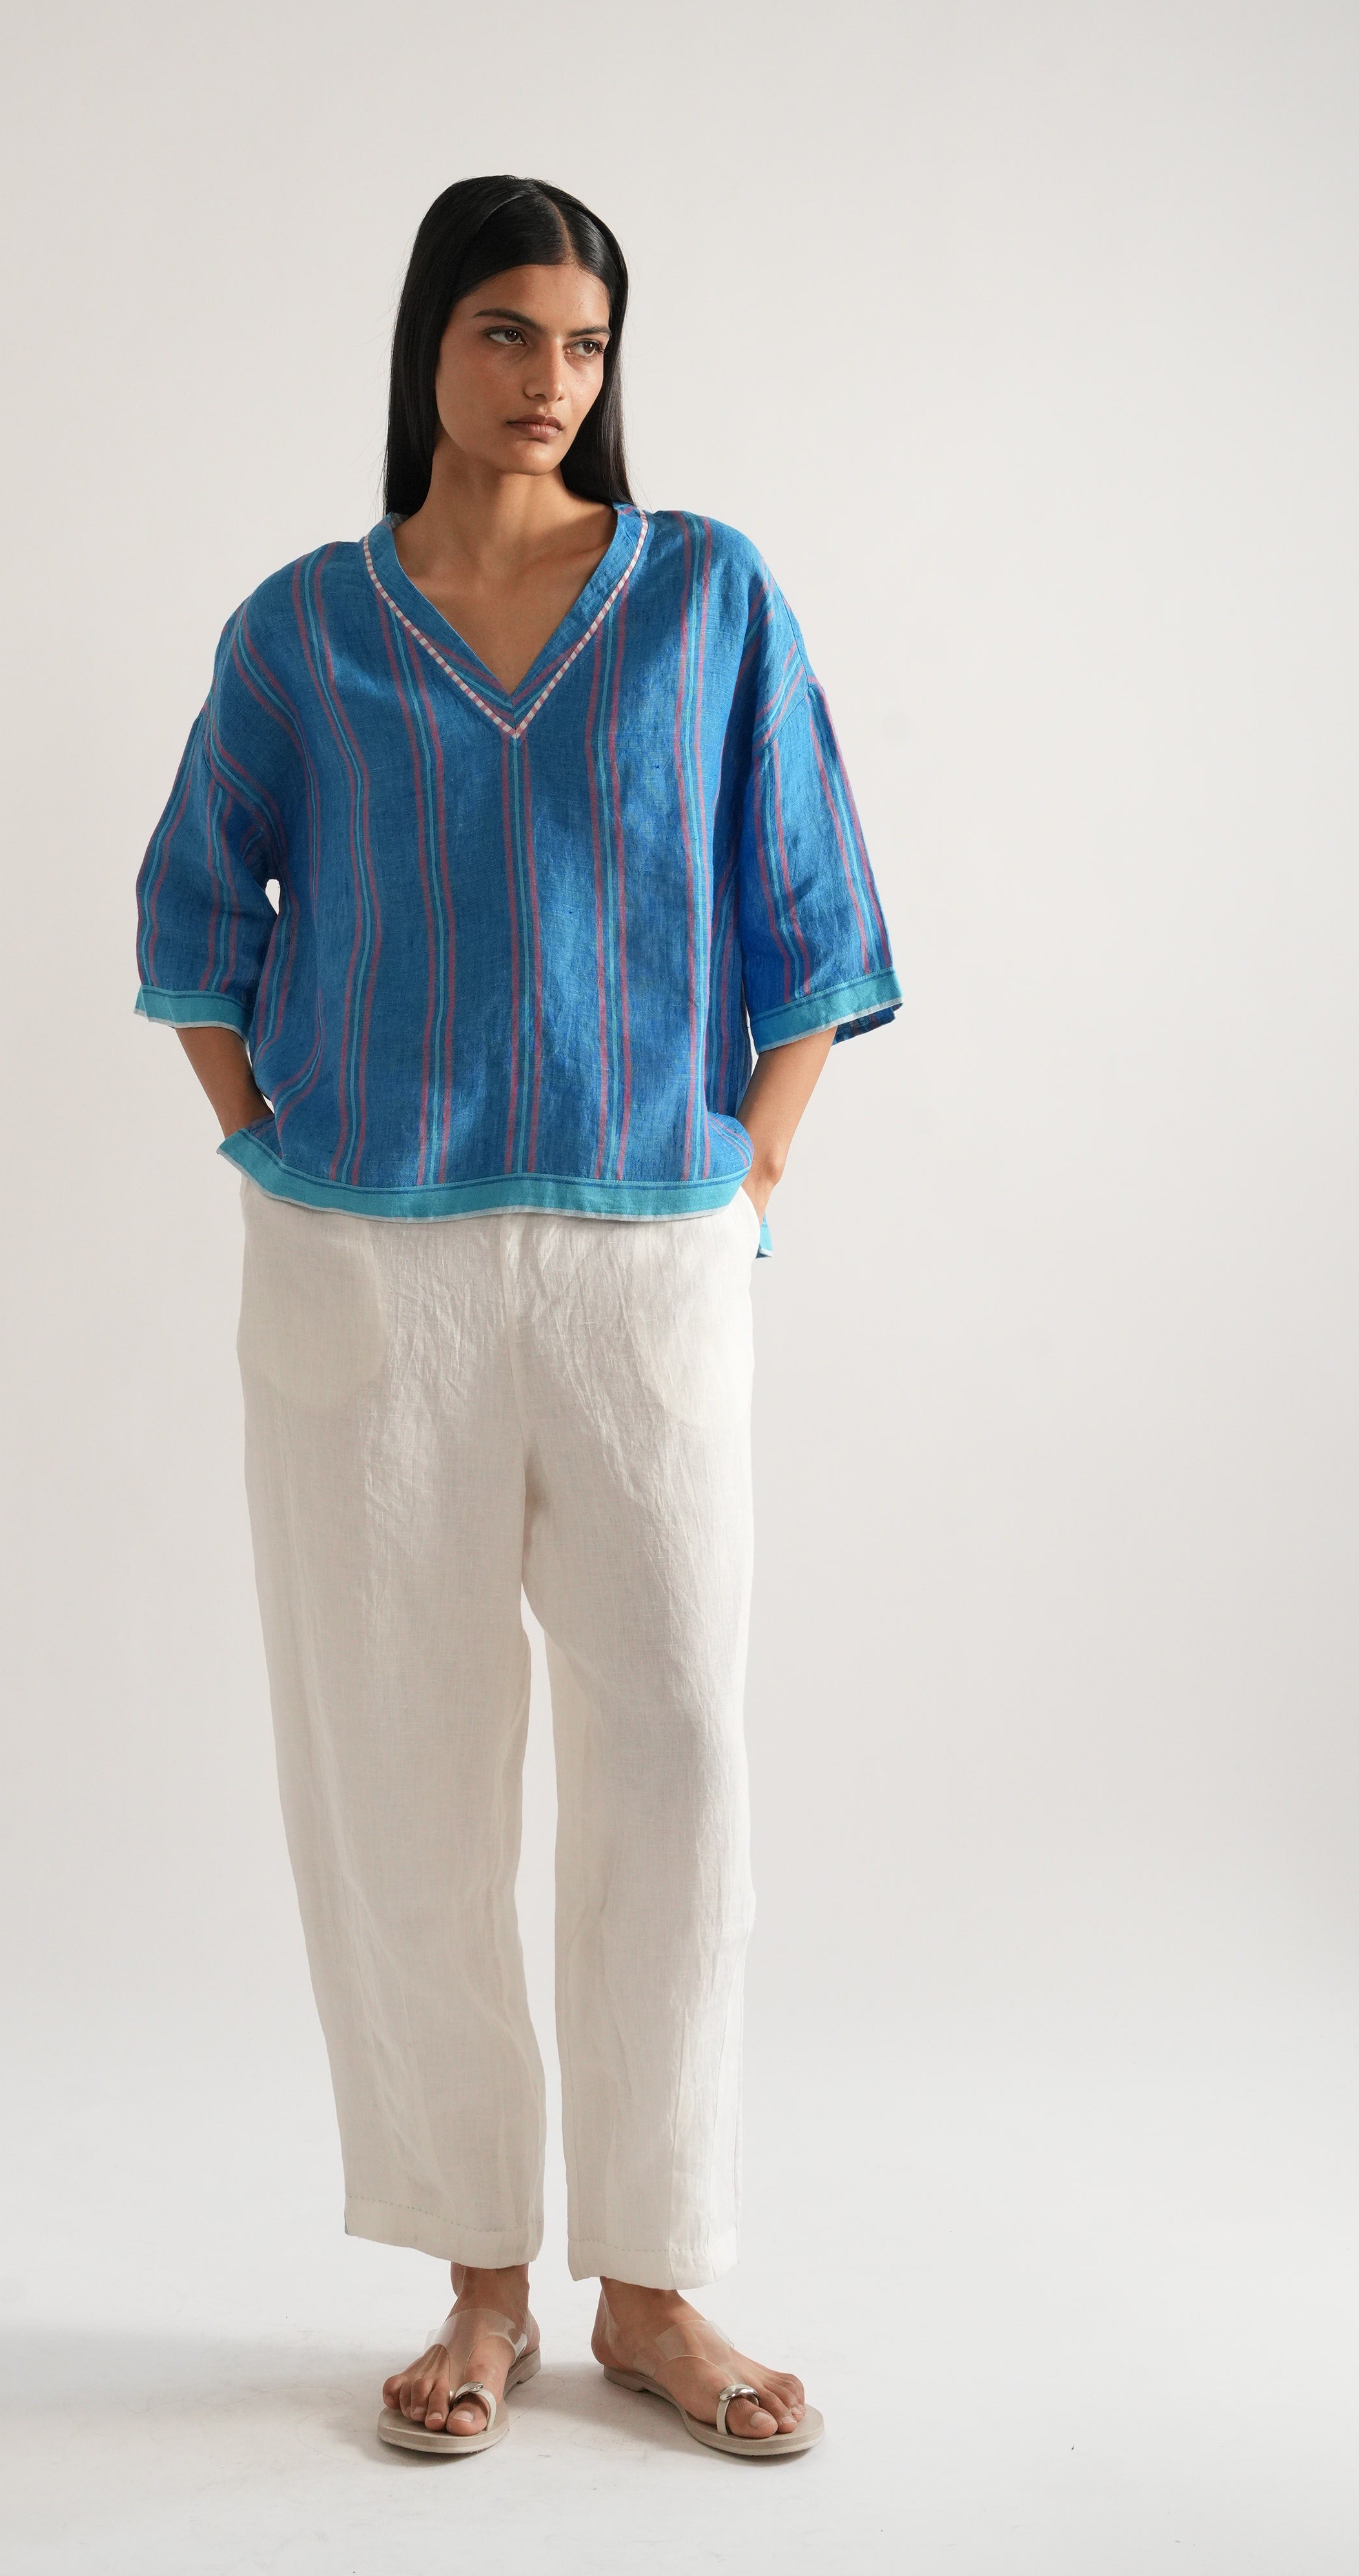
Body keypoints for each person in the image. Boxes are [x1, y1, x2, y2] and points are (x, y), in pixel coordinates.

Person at [134, 176, 899, 2460]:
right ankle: (481, 2285)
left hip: (650, 1256)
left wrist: (749, 1178)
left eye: (582, 341)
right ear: (430, 346)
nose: (547, 378)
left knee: (677, 1756)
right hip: (369, 1269)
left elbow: (813, 921)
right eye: (504, 332)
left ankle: (654, 2284)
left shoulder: (708, 598)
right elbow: (192, 918)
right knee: (401, 1768)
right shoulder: (306, 628)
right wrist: (279, 1148)